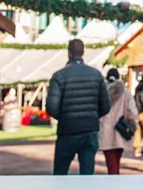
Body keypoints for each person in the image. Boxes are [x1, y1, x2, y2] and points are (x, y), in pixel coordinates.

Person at [46, 39, 111, 175]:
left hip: (67, 130)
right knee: (87, 175)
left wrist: (65, 117)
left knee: (60, 174)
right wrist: (92, 115)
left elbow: (51, 107)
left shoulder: (59, 76)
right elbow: (106, 106)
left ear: (68, 53)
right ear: (83, 53)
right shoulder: (96, 75)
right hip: (89, 130)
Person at [99, 68, 138, 174]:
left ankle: (113, 182)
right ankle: (116, 181)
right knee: (117, 161)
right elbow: (132, 111)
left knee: (110, 163)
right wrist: (134, 125)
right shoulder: (126, 93)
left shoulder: (102, 92)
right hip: (121, 129)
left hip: (105, 129)